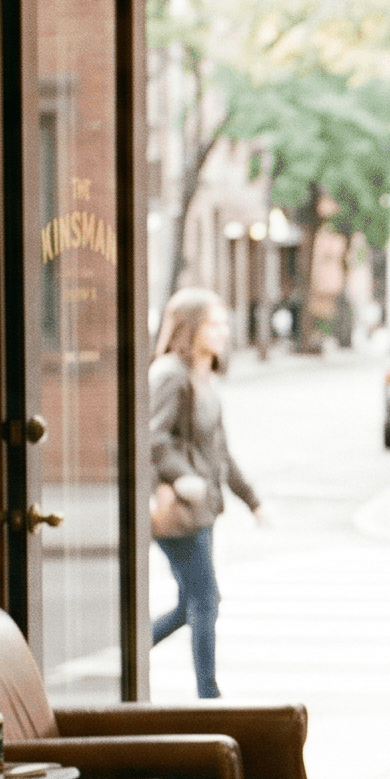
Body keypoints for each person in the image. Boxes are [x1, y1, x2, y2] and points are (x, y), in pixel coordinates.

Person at [148, 286, 264, 699]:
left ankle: (132, 652)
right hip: (180, 509)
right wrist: (181, 478)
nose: (223, 332)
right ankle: (208, 695)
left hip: (203, 510)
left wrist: (252, 500)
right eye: (214, 324)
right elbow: (153, 438)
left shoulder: (203, 376)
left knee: (191, 603)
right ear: (190, 327)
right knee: (206, 600)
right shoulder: (170, 375)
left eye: (224, 324)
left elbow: (220, 451)